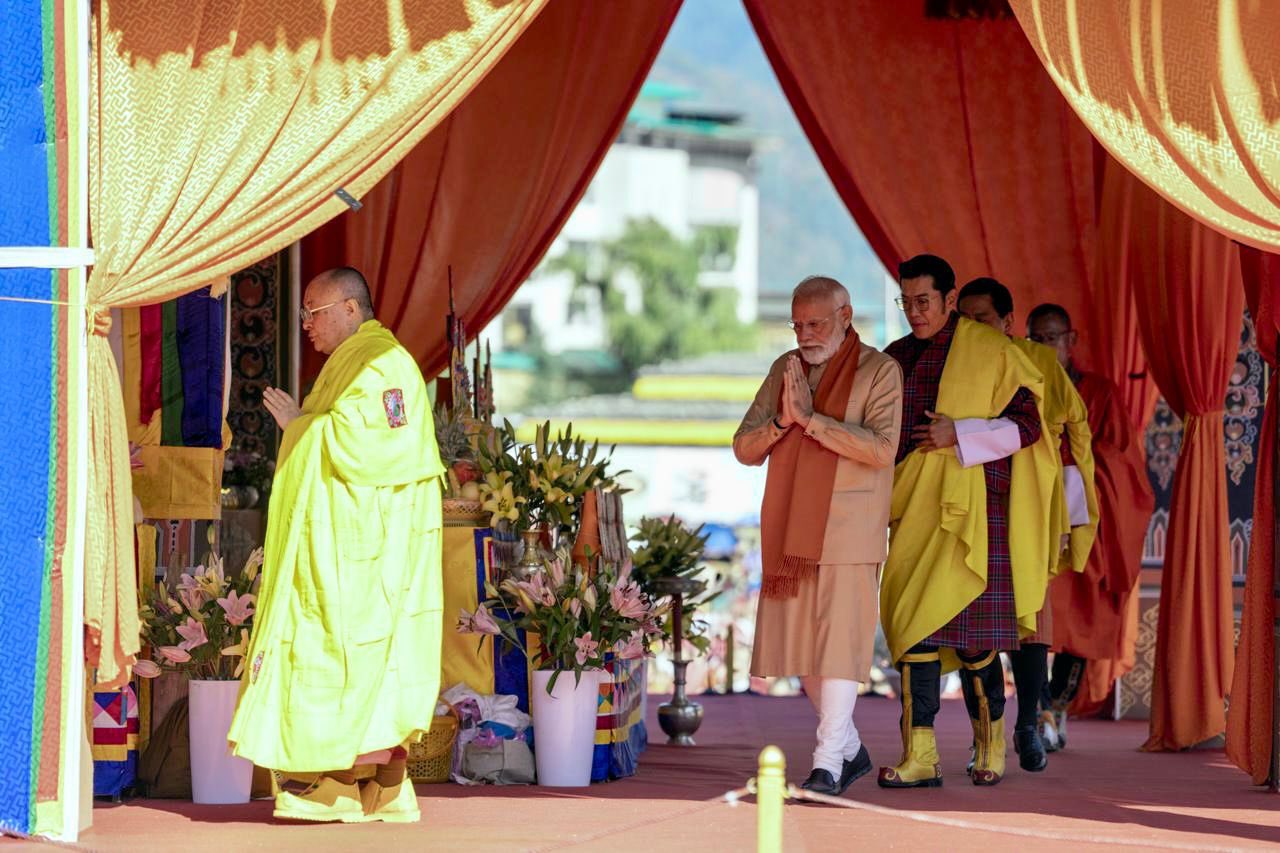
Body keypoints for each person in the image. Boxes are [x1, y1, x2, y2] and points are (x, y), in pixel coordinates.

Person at [228, 266, 446, 823]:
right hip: (350, 538)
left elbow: (380, 449)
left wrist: (303, 425)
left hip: (362, 551)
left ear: (351, 309)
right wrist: (305, 425)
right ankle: (377, 787)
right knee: (353, 654)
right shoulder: (351, 363)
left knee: (342, 651)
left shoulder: (382, 363)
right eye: (302, 313)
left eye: (314, 312)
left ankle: (338, 782)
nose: (306, 325)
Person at [878, 254, 1057, 789]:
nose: (914, 312)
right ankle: (920, 755)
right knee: (914, 634)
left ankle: (990, 745)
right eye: (905, 302)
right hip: (911, 510)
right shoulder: (895, 359)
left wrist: (961, 433)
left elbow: (1028, 427)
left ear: (949, 299)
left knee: (976, 641)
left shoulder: (991, 351)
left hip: (975, 512)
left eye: (924, 301)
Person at [734, 276, 903, 796]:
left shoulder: (880, 372)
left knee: (838, 650)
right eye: (798, 324)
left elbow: (881, 449)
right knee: (803, 653)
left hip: (849, 532)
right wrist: (784, 424)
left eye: (816, 323)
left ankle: (828, 761)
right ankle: (849, 751)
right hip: (791, 535)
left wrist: (811, 421)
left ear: (846, 316)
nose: (805, 334)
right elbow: (744, 447)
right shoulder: (784, 370)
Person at [957, 278, 1098, 772]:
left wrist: (1074, 519)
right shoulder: (954, 367)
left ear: (1007, 323)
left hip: (1031, 510)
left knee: (1032, 626)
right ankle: (987, 731)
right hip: (971, 507)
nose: (972, 329)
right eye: (965, 320)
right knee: (972, 628)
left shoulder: (1038, 363)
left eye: (983, 319)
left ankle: (1027, 726)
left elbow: (1076, 439)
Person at [1027, 303, 1154, 746]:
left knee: (1076, 624)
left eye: (1052, 338)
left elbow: (1121, 459)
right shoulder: (1019, 385)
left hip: (1080, 524)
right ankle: (1036, 709)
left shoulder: (1099, 392)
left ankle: (1055, 709)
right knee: (1027, 618)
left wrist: (1069, 465)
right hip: (1029, 518)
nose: (1045, 346)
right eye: (1036, 339)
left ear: (1071, 340)